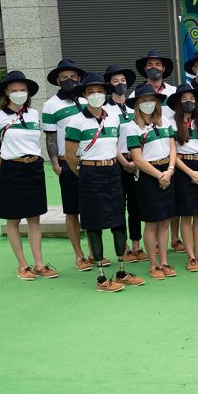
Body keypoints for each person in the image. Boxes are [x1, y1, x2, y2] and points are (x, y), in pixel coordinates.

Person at [64, 72, 144, 292]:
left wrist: (125, 165)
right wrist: (85, 174)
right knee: (94, 223)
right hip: (90, 174)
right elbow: (70, 156)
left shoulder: (114, 117)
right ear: (84, 95)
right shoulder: (76, 121)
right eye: (90, 92)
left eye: (99, 91)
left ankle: (120, 270)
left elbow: (115, 147)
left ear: (105, 93)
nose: (96, 95)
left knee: (119, 220)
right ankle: (101, 277)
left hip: (113, 172)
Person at [0, 71, 57, 281]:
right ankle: (23, 265)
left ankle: (38, 264)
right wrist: (6, 172)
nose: (19, 93)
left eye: (22, 90)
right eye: (14, 90)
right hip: (11, 169)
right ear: (7, 94)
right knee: (13, 219)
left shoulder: (33, 114)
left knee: (34, 218)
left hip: (34, 168)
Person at [42, 58, 91, 270]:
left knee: (92, 209)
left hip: (91, 162)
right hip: (67, 163)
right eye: (65, 78)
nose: (70, 80)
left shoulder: (89, 100)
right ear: (58, 80)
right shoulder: (51, 105)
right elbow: (50, 137)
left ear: (79, 78)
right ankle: (79, 255)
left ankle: (93, 253)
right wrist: (55, 164)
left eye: (73, 77)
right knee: (72, 211)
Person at [125, 84, 178, 279]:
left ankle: (164, 262)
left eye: (151, 100)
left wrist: (170, 171)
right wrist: (159, 175)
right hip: (148, 176)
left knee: (165, 221)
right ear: (137, 104)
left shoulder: (165, 123)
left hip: (167, 172)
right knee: (151, 223)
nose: (148, 104)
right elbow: (137, 159)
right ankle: (153, 264)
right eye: (143, 101)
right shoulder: (132, 127)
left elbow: (172, 149)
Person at [168, 83, 198, 272]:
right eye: (184, 99)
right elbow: (172, 152)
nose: (189, 102)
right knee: (186, 215)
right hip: (182, 169)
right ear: (178, 103)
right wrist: (191, 173)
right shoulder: (171, 123)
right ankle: (190, 257)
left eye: (192, 99)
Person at [104, 64, 145, 262]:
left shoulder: (134, 106)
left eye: (122, 81)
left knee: (137, 205)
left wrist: (137, 161)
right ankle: (124, 247)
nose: (120, 84)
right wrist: (124, 162)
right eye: (115, 81)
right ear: (109, 85)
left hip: (136, 161)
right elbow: (109, 141)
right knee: (118, 206)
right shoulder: (105, 109)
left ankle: (137, 245)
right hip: (116, 162)